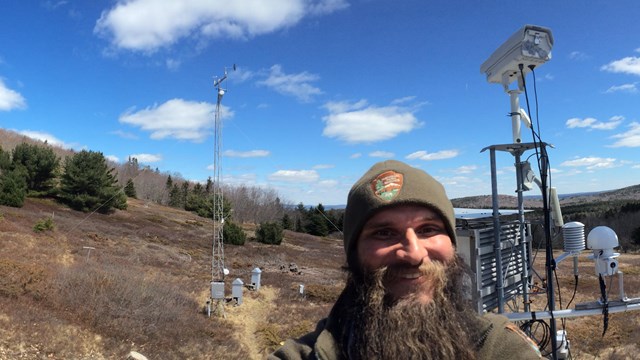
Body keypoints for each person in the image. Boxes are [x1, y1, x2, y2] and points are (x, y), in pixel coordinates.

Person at [270, 160, 542, 360]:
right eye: (384, 233)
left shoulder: (499, 349)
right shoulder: (305, 357)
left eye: (428, 229)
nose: (413, 254)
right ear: (353, 253)